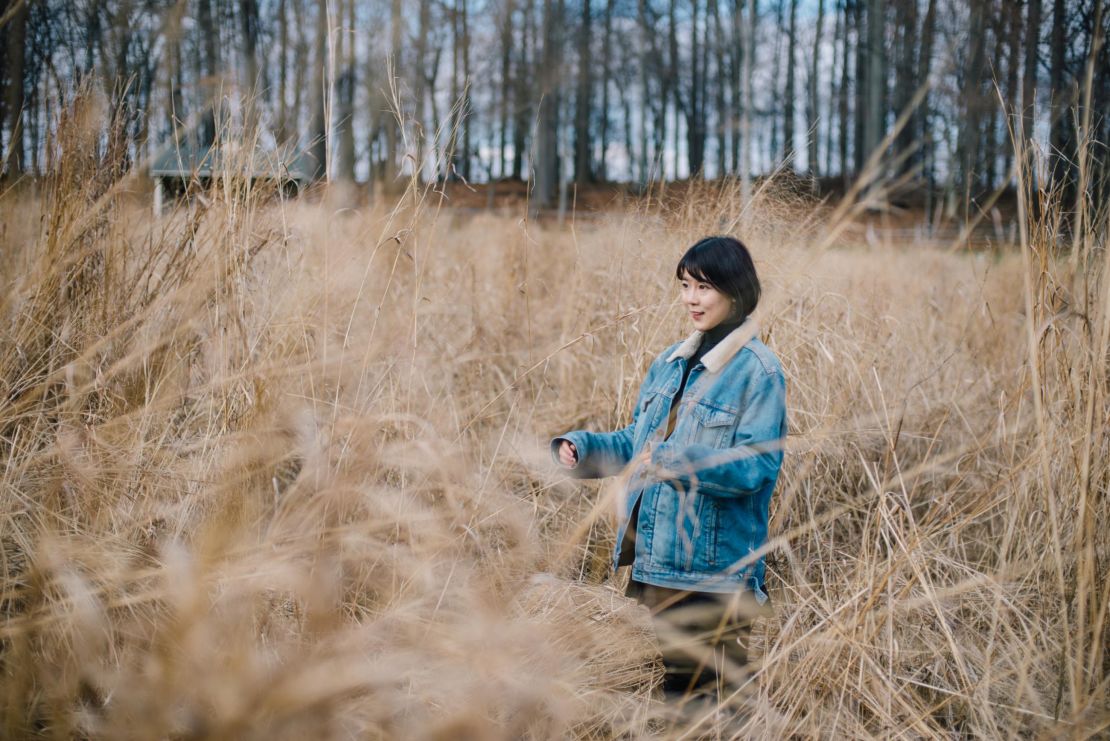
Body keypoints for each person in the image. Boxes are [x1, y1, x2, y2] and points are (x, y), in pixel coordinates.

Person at [551, 235, 787, 705]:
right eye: (684, 286)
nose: (690, 300)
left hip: (714, 573)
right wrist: (580, 448)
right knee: (686, 693)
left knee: (710, 697)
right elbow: (639, 443)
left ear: (735, 291)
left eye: (703, 288)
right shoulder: (670, 362)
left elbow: (756, 467)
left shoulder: (759, 372)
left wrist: (672, 462)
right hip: (660, 564)